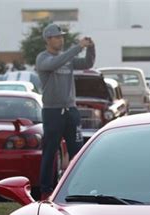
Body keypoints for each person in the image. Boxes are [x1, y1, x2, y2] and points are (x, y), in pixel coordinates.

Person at [36, 23, 95, 199]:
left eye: (62, 37)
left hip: (71, 110)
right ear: (48, 39)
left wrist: (91, 48)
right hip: (52, 112)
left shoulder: (67, 58)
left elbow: (87, 62)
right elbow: (55, 63)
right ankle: (46, 190)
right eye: (57, 37)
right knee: (50, 151)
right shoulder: (43, 58)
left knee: (76, 151)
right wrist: (78, 47)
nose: (61, 40)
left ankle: (78, 189)